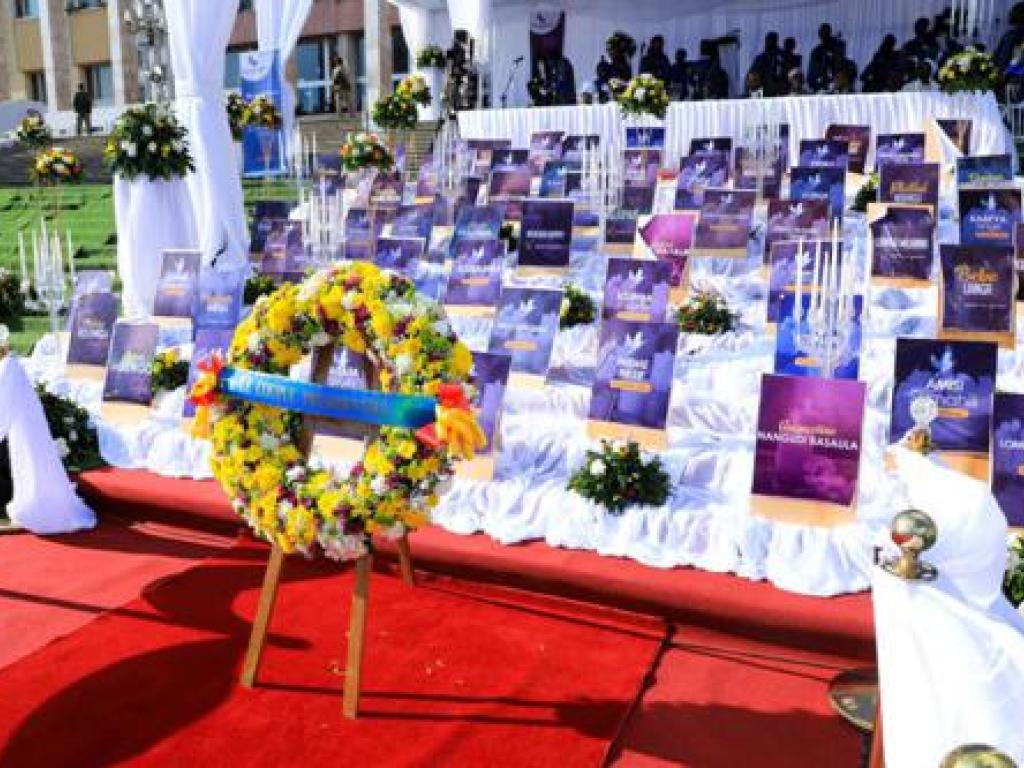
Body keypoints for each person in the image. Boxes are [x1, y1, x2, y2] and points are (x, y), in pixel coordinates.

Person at [748, 32, 788, 96]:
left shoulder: (782, 55)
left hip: (779, 89)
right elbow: (752, 73)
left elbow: (785, 70)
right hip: (763, 89)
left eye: (772, 40)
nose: (768, 42)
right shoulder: (761, 57)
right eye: (768, 40)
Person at [807, 23, 839, 93]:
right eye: (821, 32)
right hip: (818, 83)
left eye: (825, 32)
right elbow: (813, 69)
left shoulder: (836, 46)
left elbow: (837, 63)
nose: (822, 35)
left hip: (832, 82)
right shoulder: (817, 50)